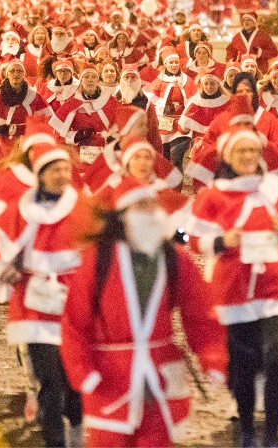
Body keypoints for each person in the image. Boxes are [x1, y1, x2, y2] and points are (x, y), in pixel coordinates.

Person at [61, 177, 228, 447]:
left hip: (159, 374)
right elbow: (74, 322)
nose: (150, 211)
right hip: (111, 379)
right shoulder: (98, 260)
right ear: (123, 215)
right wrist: (82, 370)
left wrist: (213, 359)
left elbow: (199, 316)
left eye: (152, 204)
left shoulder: (175, 258)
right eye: (141, 205)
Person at [189, 125, 278, 448]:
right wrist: (222, 240)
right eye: (241, 151)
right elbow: (196, 240)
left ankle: (273, 432)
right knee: (243, 365)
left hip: (274, 288)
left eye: (253, 150)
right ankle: (248, 427)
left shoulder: (277, 190)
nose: (249, 157)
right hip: (233, 291)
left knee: (275, 359)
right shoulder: (213, 195)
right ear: (228, 157)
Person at [0, 139, 86, 447]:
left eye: (65, 169)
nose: (61, 175)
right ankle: (54, 440)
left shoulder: (83, 209)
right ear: (41, 174)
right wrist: (7, 270)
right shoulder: (22, 211)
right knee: (50, 379)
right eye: (54, 169)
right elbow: (0, 247)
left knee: (73, 382)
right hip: (34, 306)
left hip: (73, 308)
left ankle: (76, 430)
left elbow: (101, 255)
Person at [0, 59, 54, 152]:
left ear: (24, 74)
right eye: (12, 71)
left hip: (29, 142)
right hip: (6, 143)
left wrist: (36, 131)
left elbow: (48, 118)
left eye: (19, 71)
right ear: (7, 74)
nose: (16, 74)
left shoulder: (34, 95)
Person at [53, 64, 120, 160]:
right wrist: (76, 135)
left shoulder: (110, 101)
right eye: (86, 77)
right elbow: (58, 133)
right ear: (81, 81)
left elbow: (122, 125)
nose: (90, 80)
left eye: (93, 77)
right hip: (80, 152)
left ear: (98, 80)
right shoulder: (72, 103)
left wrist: (114, 138)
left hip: (106, 151)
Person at [148, 51, 195, 170]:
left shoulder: (186, 80)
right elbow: (150, 100)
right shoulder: (158, 81)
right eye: (171, 62)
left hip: (181, 125)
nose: (174, 65)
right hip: (164, 125)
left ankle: (176, 188)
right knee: (165, 159)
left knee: (176, 159)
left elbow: (194, 101)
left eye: (176, 62)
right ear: (165, 64)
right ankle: (166, 186)